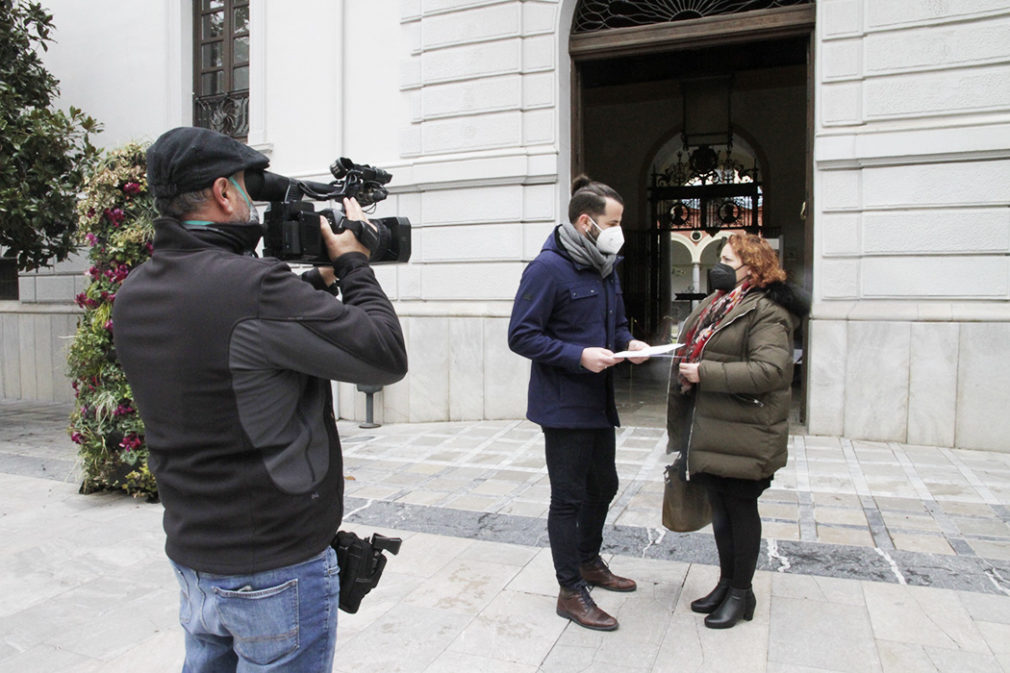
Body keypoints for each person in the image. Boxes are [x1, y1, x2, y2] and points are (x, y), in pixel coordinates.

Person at [112, 126, 408, 672]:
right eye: (251, 188)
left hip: (196, 559)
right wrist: (353, 265)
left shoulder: (135, 292)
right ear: (224, 193)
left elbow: (231, 337)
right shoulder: (253, 288)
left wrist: (313, 281)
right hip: (274, 564)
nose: (258, 203)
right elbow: (384, 355)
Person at [508, 175, 650, 631]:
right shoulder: (547, 269)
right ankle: (571, 590)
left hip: (597, 403)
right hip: (564, 404)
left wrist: (632, 342)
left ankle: (589, 560)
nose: (619, 231)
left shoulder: (604, 264)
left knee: (603, 486)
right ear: (586, 222)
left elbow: (616, 325)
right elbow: (521, 335)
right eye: (613, 222)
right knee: (567, 498)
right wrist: (577, 356)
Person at [667, 232, 810, 629]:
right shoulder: (722, 304)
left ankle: (741, 593)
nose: (720, 266)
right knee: (723, 512)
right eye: (721, 258)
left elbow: (771, 371)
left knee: (741, 511)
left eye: (729, 260)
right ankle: (726, 584)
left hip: (747, 431)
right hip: (715, 428)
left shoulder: (767, 311)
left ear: (753, 266)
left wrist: (705, 372)